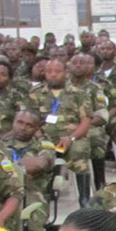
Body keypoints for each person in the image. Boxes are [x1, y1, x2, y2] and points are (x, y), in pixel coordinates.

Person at [24, 58, 92, 206]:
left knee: (79, 153)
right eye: (49, 71)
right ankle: (40, 199)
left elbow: (85, 121)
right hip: (44, 138)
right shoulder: (35, 93)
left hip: (72, 138)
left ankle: (85, 199)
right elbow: (30, 121)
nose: (53, 75)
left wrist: (71, 138)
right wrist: (41, 138)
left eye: (57, 71)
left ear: (66, 73)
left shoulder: (78, 93)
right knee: (37, 158)